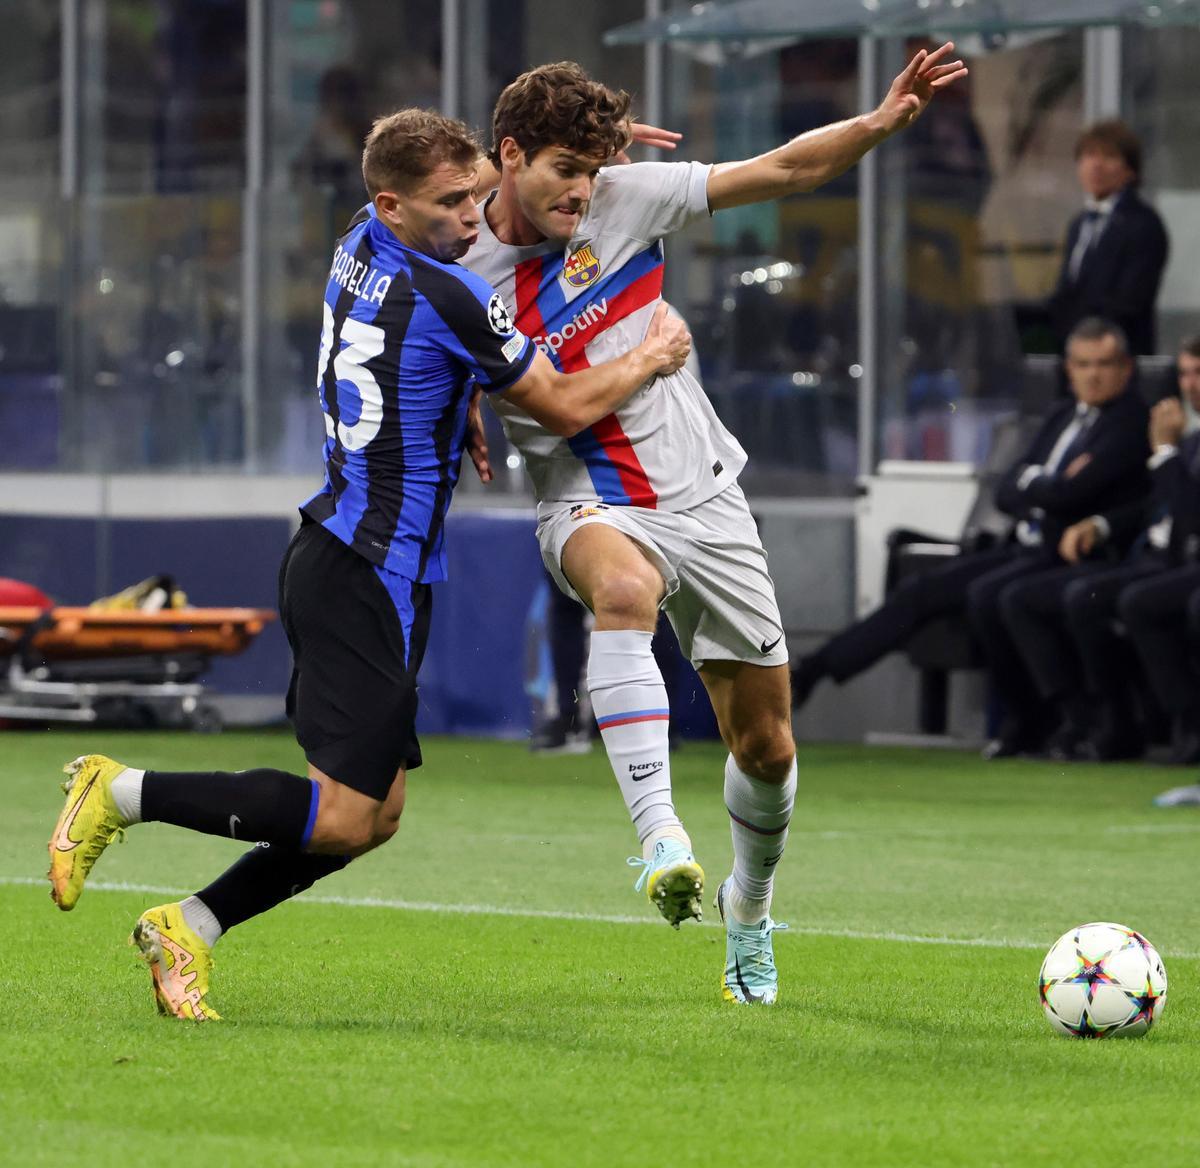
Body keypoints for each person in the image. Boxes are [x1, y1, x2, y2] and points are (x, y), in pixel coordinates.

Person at [45, 108, 691, 1022]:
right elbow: (561, 407)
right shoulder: (450, 295)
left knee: (374, 818)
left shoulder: (360, 241)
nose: (472, 217)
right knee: (344, 815)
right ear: (390, 203)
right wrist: (653, 356)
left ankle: (188, 924)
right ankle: (117, 791)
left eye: (475, 194)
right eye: (447, 203)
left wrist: (458, 391)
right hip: (361, 570)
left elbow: (421, 325)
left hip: (371, 567)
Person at [461, 49, 968, 1005]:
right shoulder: (458, 255)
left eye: (592, 168)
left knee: (768, 748)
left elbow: (780, 170)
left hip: (705, 494)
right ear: (510, 156)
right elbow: (390, 231)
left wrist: (877, 122)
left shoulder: (625, 197)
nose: (581, 190)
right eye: (563, 169)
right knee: (621, 590)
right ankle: (659, 839)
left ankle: (751, 906)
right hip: (585, 498)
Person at [792, 318, 1151, 759]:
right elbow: (1006, 490)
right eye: (1083, 364)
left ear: (1127, 368)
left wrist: (1037, 485)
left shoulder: (1130, 423)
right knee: (921, 590)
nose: (1092, 374)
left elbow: (1070, 492)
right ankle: (812, 671)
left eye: (1104, 364)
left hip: (1067, 554)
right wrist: (1045, 486)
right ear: (1069, 369)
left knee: (990, 595)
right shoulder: (1061, 416)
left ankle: (1043, 720)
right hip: (1021, 545)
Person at [996, 335, 1200, 762]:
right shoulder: (1188, 434)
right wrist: (1103, 525)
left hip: (1181, 562)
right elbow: (1152, 504)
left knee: (1138, 602)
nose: (1191, 384)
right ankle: (1092, 719)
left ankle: (1180, 723)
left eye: (1199, 373)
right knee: (1036, 597)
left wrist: (1163, 451)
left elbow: (1191, 515)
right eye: (1185, 373)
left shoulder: (1158, 431)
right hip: (1150, 556)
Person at [1047, 120, 1169, 358]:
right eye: (1089, 155)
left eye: (1109, 156)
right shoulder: (1079, 224)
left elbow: (1129, 301)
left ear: (1130, 170)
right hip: (1073, 355)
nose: (1096, 165)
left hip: (1120, 357)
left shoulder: (1143, 223)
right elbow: (1068, 289)